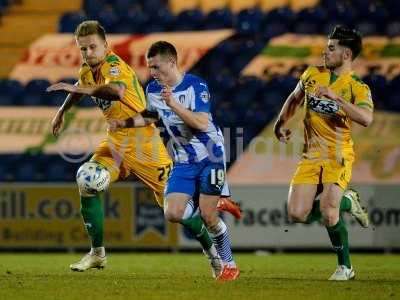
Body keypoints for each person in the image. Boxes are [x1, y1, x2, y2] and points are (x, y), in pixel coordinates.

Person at [47, 21, 240, 273]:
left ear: (106, 46)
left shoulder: (115, 67)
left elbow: (116, 91)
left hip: (144, 145)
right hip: (115, 142)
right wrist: (61, 112)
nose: (88, 53)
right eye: (83, 49)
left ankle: (215, 255)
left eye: (93, 47)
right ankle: (97, 254)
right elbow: (79, 88)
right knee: (87, 180)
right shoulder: (87, 71)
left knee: (179, 213)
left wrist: (76, 88)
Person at [109, 41, 240, 281]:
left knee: (209, 219)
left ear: (172, 62)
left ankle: (229, 264)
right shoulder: (153, 90)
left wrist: (174, 104)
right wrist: (124, 123)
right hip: (183, 160)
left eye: (157, 67)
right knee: (172, 213)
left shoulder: (195, 85)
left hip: (211, 155)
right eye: (150, 68)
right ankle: (211, 201)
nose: (153, 73)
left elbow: (201, 123)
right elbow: (151, 116)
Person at [273, 25, 373, 281]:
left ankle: (346, 267)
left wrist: (336, 98)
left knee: (329, 213)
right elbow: (294, 98)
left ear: (347, 55)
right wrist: (280, 123)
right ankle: (347, 202)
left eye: (331, 48)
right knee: (297, 214)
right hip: (310, 156)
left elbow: (366, 118)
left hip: (337, 155)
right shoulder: (311, 74)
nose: (325, 52)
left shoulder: (357, 87)